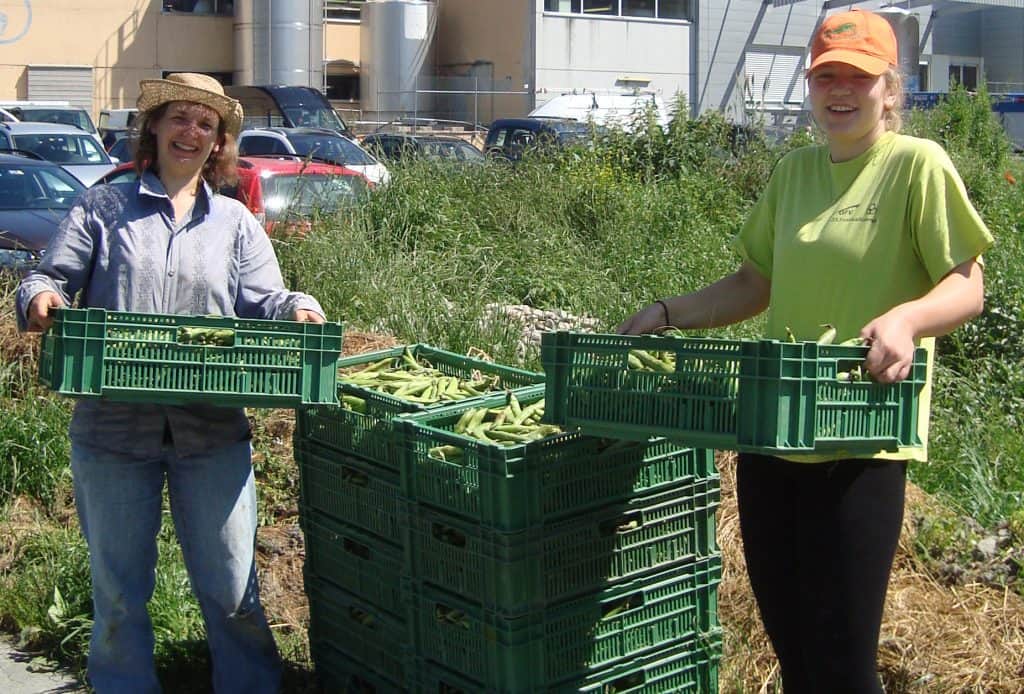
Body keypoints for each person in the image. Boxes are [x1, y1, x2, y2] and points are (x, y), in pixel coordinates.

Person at [618, 10, 993, 693]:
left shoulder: (916, 166)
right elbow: (753, 284)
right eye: (827, 76)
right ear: (811, 86)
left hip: (859, 440)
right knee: (795, 655)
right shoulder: (793, 174)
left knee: (843, 663)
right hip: (773, 440)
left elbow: (968, 288)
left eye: (859, 75)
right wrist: (669, 314)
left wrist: (908, 320)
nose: (841, 90)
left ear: (890, 89)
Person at [15, 73, 326, 694]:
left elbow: (267, 300)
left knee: (234, 585)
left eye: (206, 125)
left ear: (219, 144)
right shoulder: (103, 207)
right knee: (120, 593)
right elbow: (46, 276)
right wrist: (43, 298)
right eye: (180, 117)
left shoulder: (234, 222)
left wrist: (300, 307)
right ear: (152, 127)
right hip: (112, 431)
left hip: (211, 430)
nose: (192, 132)